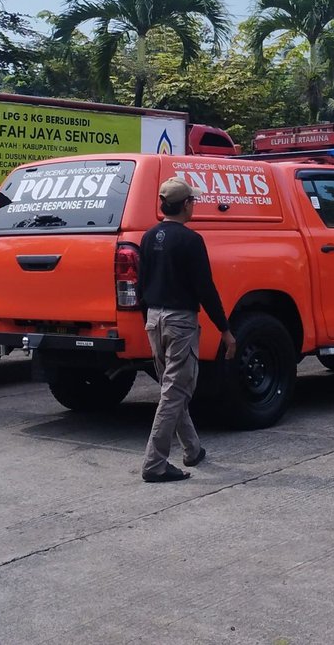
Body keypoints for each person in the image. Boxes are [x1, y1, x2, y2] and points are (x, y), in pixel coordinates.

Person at [138, 176, 236, 483]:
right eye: (193, 201)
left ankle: (192, 449)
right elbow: (205, 289)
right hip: (180, 322)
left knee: (172, 388)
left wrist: (148, 318)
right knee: (176, 390)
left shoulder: (148, 237)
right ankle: (155, 463)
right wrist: (225, 330)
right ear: (186, 205)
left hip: (154, 320)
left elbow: (141, 285)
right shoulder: (192, 241)